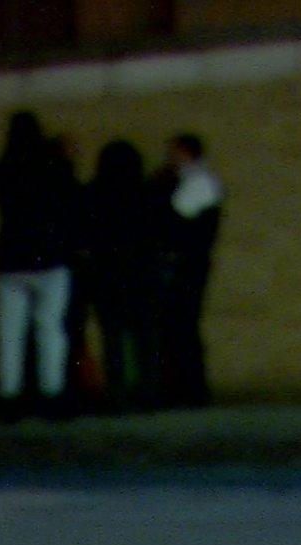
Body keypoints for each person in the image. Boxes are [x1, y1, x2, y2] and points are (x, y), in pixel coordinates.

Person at [0, 111, 77, 419]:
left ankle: (9, 397)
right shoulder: (55, 167)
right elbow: (68, 201)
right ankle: (51, 395)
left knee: (10, 334)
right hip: (51, 258)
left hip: (11, 259)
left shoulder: (1, 170)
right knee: (50, 329)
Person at [82, 140, 159, 412]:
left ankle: (117, 393)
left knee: (112, 337)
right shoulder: (148, 191)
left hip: (106, 273)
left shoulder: (93, 193)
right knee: (145, 337)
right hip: (142, 272)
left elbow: (86, 234)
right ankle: (149, 391)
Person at [158, 133, 224, 408]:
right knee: (183, 325)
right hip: (194, 262)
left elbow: (175, 216)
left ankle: (188, 390)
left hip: (188, 264)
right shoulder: (203, 181)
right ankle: (189, 388)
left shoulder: (197, 182)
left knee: (182, 325)